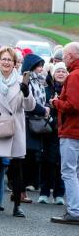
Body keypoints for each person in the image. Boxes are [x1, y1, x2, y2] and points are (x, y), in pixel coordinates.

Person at [0, 46, 36, 217]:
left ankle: (17, 206)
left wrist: (27, 93)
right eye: (4, 59)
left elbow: (29, 107)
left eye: (10, 60)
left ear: (15, 63)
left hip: (15, 127)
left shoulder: (22, 81)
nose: (6, 62)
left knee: (16, 169)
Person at [50, 42, 79, 225]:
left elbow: (74, 105)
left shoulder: (74, 76)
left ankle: (74, 211)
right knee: (74, 172)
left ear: (72, 56)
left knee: (68, 172)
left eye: (66, 55)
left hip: (72, 131)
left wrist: (56, 102)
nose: (64, 58)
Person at [22, 54, 49, 200]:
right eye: (39, 66)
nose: (41, 69)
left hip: (37, 123)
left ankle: (23, 188)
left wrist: (47, 107)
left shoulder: (40, 81)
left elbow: (45, 98)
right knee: (25, 159)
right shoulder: (26, 80)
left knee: (32, 158)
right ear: (32, 66)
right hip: (27, 123)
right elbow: (28, 102)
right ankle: (20, 191)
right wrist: (43, 110)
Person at [40, 62, 66, 204]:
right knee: (47, 162)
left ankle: (59, 194)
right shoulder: (47, 89)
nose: (61, 73)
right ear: (53, 74)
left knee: (62, 163)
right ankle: (44, 192)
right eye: (58, 71)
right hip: (48, 131)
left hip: (64, 131)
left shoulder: (69, 88)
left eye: (63, 71)